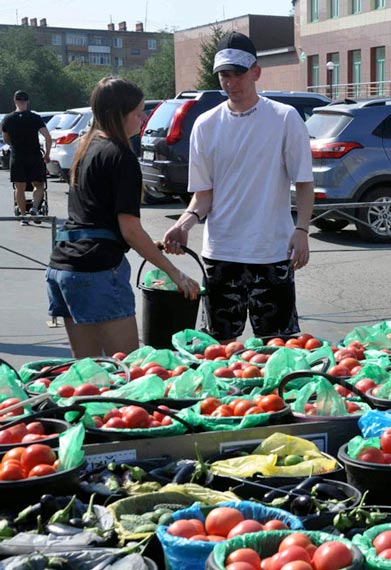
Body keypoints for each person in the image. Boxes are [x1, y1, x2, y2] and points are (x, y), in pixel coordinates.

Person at [162, 31, 314, 343]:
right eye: (224, 76)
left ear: (256, 72)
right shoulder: (206, 125)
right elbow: (204, 195)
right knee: (219, 349)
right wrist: (184, 223)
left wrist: (302, 230)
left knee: (279, 348)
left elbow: (304, 182)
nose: (231, 83)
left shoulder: (284, 118)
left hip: (272, 251)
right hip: (222, 255)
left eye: (238, 74)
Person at [46, 77, 200, 358]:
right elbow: (129, 229)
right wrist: (174, 273)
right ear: (118, 115)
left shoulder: (86, 147)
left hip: (63, 267)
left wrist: (143, 243)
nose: (143, 118)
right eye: (138, 112)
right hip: (96, 272)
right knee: (128, 371)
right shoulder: (121, 156)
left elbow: (95, 217)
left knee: (89, 374)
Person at [1, 90, 51, 226]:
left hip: (18, 156)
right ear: (27, 102)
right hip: (34, 155)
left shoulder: (8, 119)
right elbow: (47, 137)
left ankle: (23, 216)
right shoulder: (35, 118)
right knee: (38, 184)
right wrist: (47, 154)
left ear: (15, 101)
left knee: (20, 187)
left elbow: (5, 139)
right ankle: (35, 208)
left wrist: (15, 144)